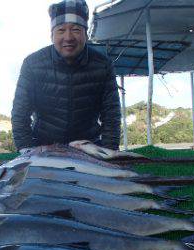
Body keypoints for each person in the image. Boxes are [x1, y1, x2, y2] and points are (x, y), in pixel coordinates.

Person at [11, 0, 121, 153]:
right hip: (44, 147)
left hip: (89, 148)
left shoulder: (103, 65)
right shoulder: (32, 64)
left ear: (85, 34)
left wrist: (108, 153)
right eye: (61, 30)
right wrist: (27, 152)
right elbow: (20, 114)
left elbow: (111, 115)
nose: (68, 37)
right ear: (52, 35)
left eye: (76, 29)